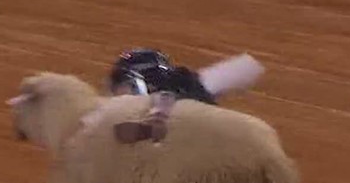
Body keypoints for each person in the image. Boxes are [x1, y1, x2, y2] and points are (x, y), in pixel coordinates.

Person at [107, 48, 265, 143]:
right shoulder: (188, 90)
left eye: (123, 86)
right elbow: (249, 65)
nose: (118, 94)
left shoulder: (158, 119)